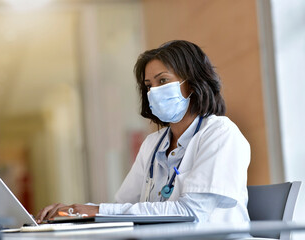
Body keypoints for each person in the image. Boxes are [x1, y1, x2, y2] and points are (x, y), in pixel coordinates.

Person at [36, 40, 250, 223]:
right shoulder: (153, 144)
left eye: (163, 81)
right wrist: (74, 211)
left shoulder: (221, 134)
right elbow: (123, 206)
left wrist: (98, 211)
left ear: (193, 84)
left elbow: (191, 214)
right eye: (149, 85)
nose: (154, 92)